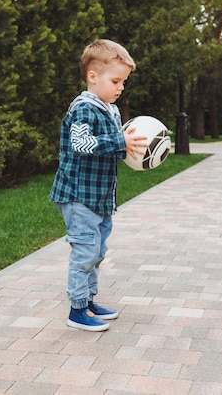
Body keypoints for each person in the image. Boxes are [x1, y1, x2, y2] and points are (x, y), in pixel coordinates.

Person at [49, 39, 148, 332]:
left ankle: (88, 302)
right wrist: (119, 141)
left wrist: (128, 149)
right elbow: (81, 144)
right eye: (115, 80)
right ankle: (77, 309)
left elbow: (108, 148)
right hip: (78, 196)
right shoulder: (83, 108)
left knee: (97, 251)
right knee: (85, 252)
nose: (120, 87)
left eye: (123, 82)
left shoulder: (111, 109)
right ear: (93, 77)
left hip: (100, 197)